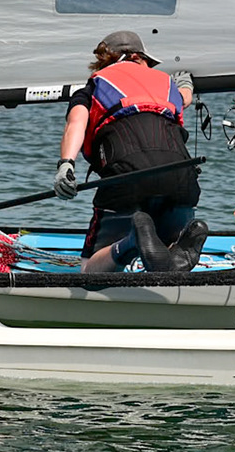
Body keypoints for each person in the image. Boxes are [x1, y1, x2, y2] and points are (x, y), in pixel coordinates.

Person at [53, 30, 208, 273]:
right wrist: (186, 82)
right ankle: (178, 247)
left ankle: (131, 243)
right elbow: (185, 98)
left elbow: (76, 123)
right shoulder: (167, 84)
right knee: (164, 259)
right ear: (137, 57)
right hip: (181, 175)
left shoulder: (94, 86)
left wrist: (66, 164)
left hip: (127, 173)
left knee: (89, 272)